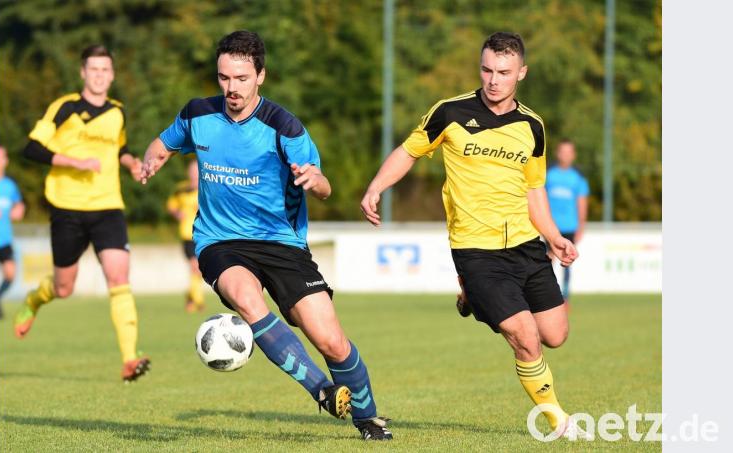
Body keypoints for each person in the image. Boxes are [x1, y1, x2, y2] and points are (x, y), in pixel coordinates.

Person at [140, 30, 393, 441]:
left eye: (241, 78)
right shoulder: (197, 113)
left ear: (261, 76)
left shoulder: (283, 127)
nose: (231, 88)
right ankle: (322, 390)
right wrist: (152, 161)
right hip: (219, 240)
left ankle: (367, 418)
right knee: (243, 295)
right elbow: (164, 144)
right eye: (224, 77)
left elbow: (325, 186)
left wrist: (316, 179)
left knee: (330, 340)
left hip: (282, 242)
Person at [360, 32, 591, 440]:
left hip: (525, 244)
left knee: (555, 334)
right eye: (486, 69)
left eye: (503, 72)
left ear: (521, 72)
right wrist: (376, 187)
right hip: (475, 249)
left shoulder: (532, 126)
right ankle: (559, 421)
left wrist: (553, 237)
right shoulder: (449, 112)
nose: (493, 80)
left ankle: (473, 297)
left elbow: (534, 190)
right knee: (525, 337)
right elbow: (408, 151)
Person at [15, 45, 151, 382]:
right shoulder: (65, 107)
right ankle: (34, 301)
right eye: (93, 69)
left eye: (105, 70)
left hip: (107, 206)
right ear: (82, 73)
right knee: (64, 288)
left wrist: (132, 163)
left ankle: (129, 358)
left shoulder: (118, 111)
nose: (99, 75)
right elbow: (31, 147)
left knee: (119, 277)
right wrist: (74, 162)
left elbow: (120, 147)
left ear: (112, 75)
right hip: (67, 207)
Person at [545, 140, 589, 305]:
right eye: (562, 151)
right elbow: (539, 198)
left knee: (567, 261)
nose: (565, 155)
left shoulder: (578, 178)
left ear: (573, 155)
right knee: (548, 259)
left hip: (570, 225)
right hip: (550, 226)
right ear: (557, 153)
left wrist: (581, 225)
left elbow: (582, 202)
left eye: (569, 152)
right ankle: (548, 294)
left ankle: (565, 296)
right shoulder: (548, 174)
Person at [166, 159, 205, 313]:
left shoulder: (207, 187)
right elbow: (171, 206)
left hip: (202, 234)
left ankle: (191, 297)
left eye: (196, 170)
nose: (194, 174)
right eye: (191, 171)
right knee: (195, 267)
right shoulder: (181, 189)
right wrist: (177, 213)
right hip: (186, 235)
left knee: (197, 270)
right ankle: (198, 301)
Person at [0, 145, 25, 320]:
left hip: (4, 239)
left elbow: (19, 204)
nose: (1, 160)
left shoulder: (9, 185)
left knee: (10, 274)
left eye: (3, 157)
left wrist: (19, 210)